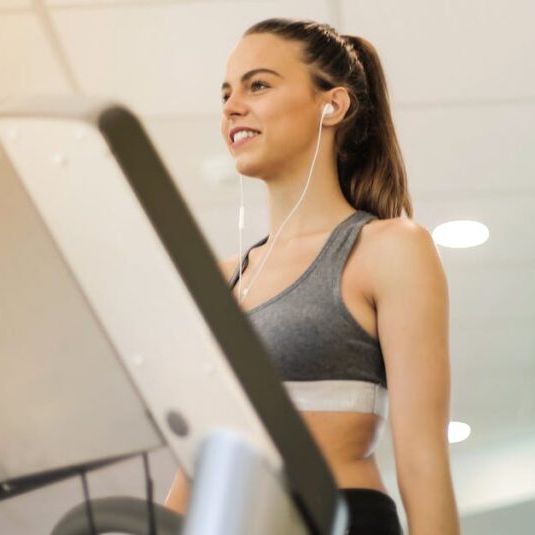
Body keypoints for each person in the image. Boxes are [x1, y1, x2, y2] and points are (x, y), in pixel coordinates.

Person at [165, 18, 459, 535]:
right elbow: (194, 468)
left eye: (258, 85)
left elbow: (422, 462)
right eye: (226, 94)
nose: (232, 107)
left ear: (333, 105)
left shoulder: (387, 248)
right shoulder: (219, 281)